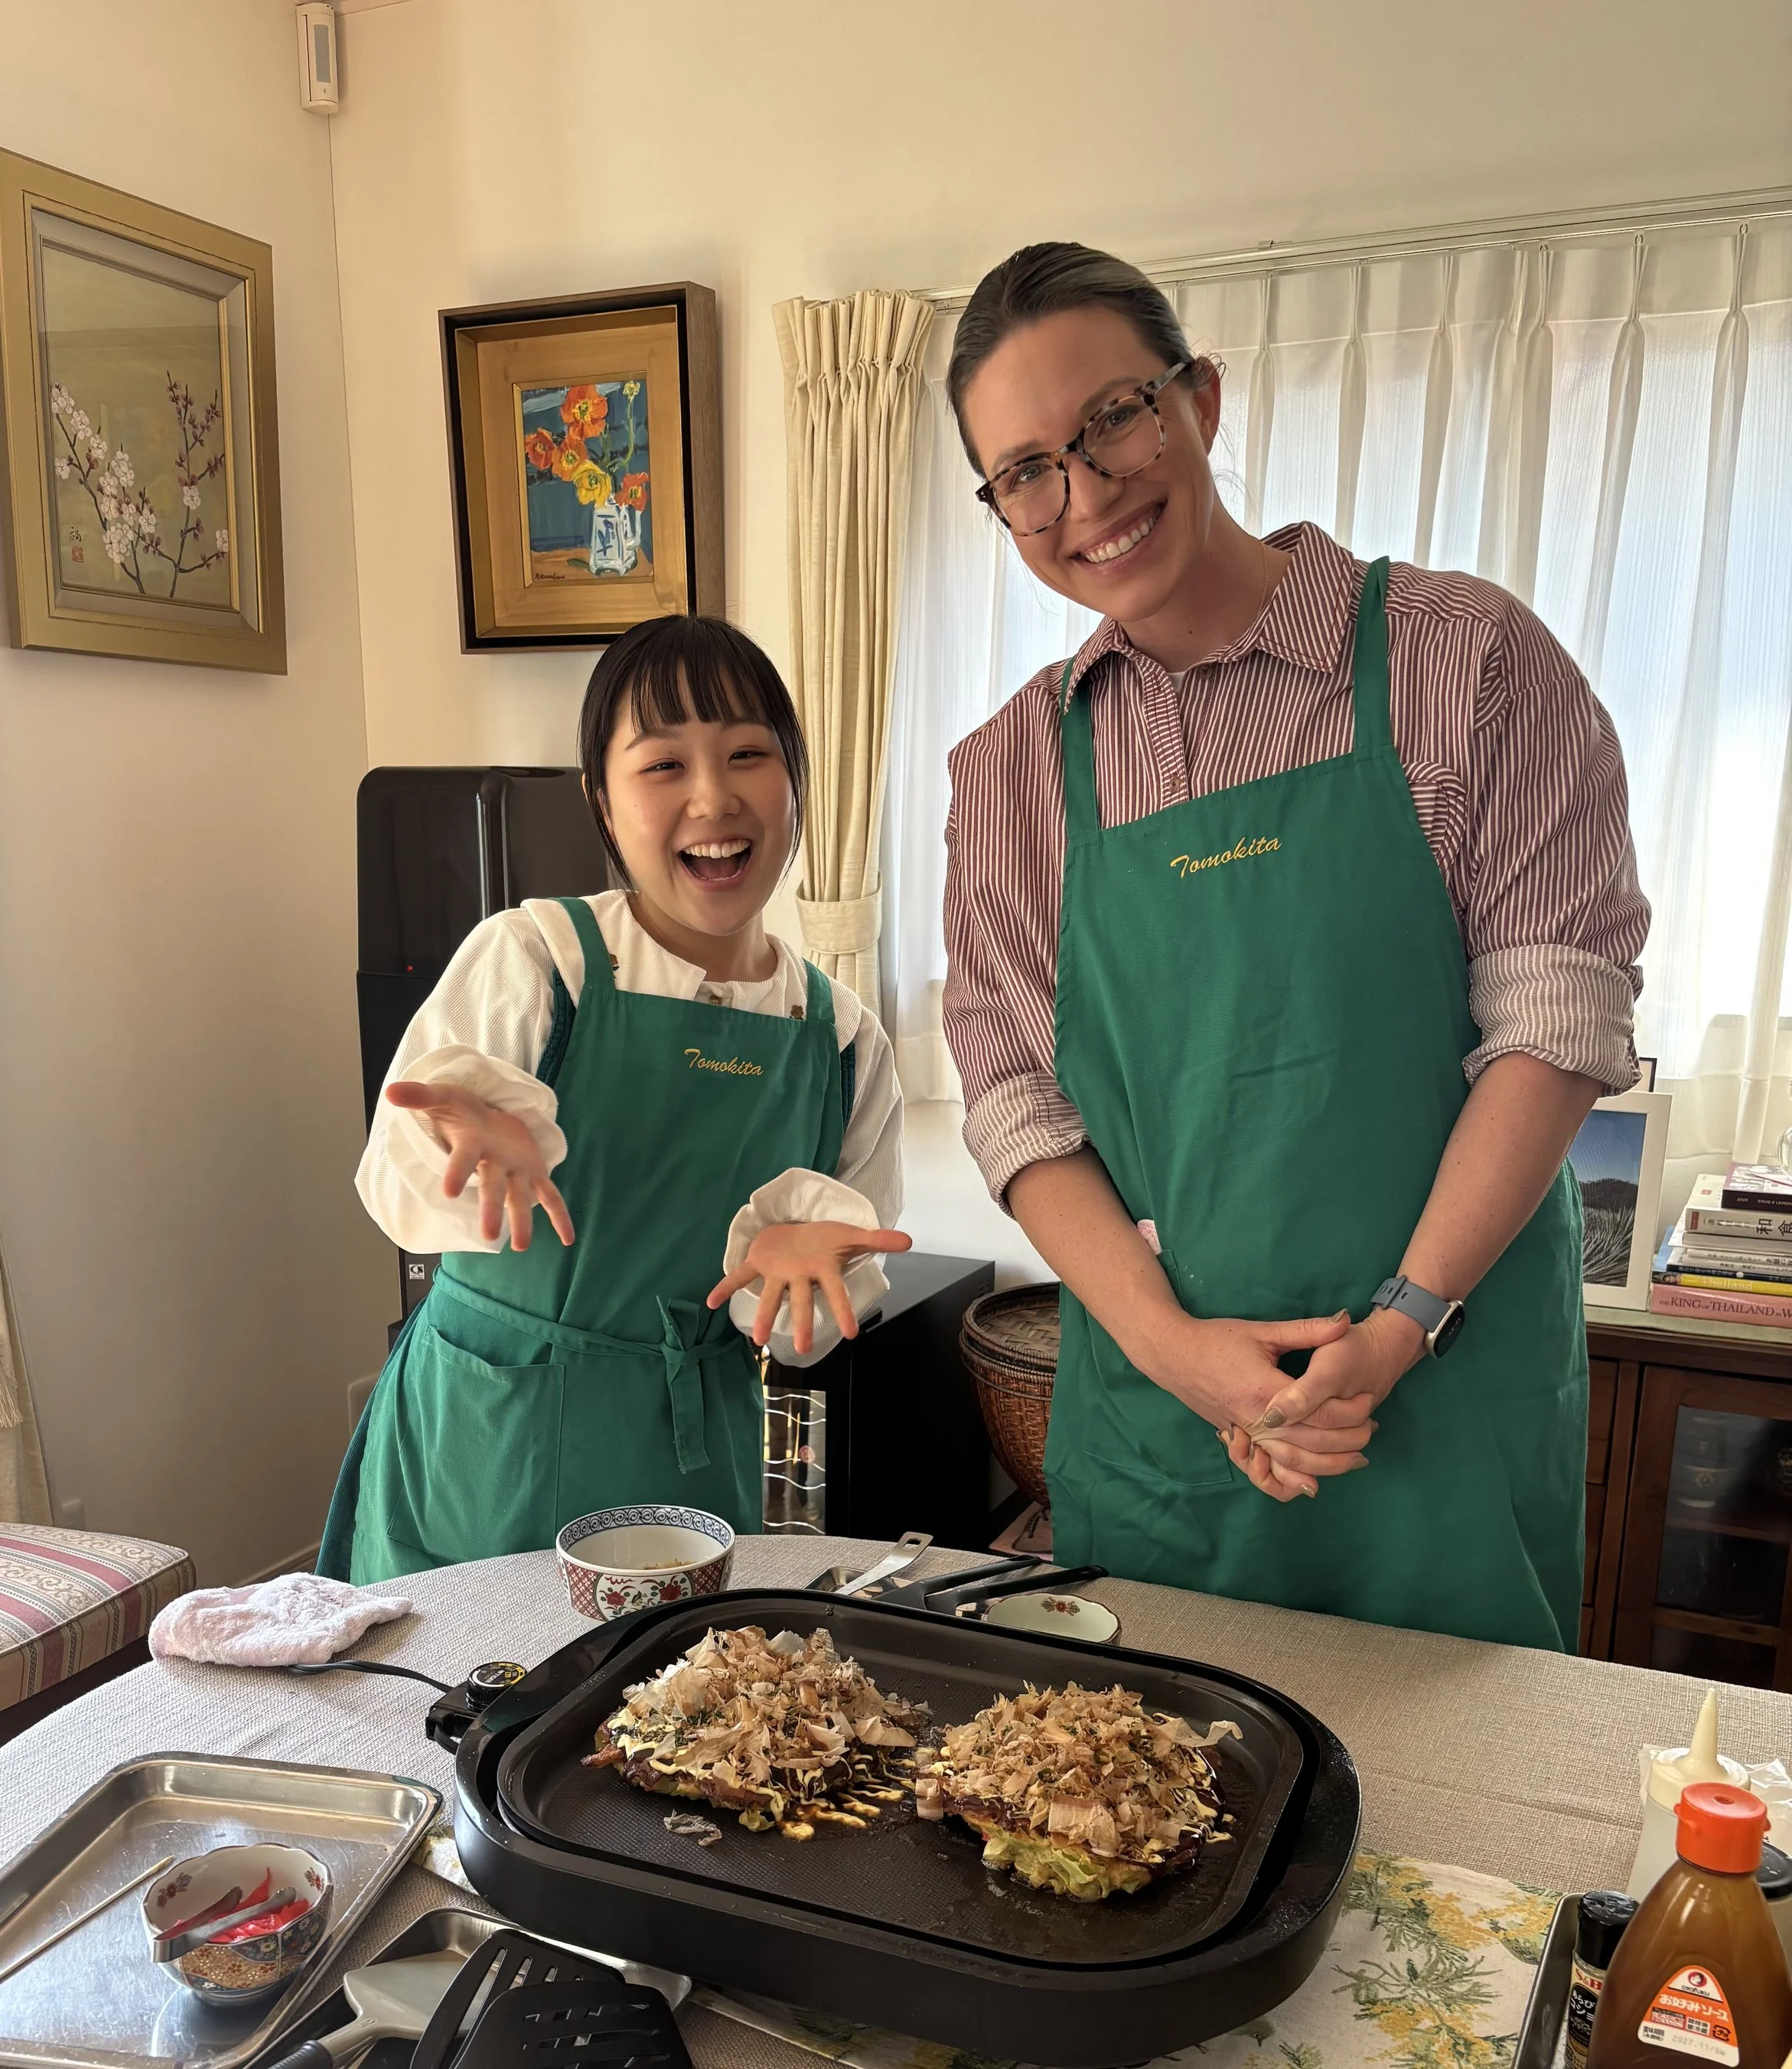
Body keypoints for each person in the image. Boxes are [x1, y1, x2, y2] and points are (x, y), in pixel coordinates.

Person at [941, 243, 1650, 1650]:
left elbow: (1556, 1018)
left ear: (1199, 399)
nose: (1085, 496)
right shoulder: (1013, 769)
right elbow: (1020, 1103)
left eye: (1114, 421)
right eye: (1025, 472)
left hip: (1442, 1403)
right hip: (1165, 1426)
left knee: (1465, 1843)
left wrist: (1396, 1325)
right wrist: (1174, 1352)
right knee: (1133, 1824)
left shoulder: (1468, 662)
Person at [321, 614, 907, 1584]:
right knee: (454, 1708)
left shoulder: (843, 1039)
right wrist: (453, 1148)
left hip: (692, 1448)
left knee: (678, 1717)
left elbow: (812, 1311)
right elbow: (397, 1185)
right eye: (663, 764)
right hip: (487, 1440)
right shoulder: (534, 961)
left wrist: (797, 1276)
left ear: (797, 782)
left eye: (748, 754)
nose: (713, 797)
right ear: (602, 801)